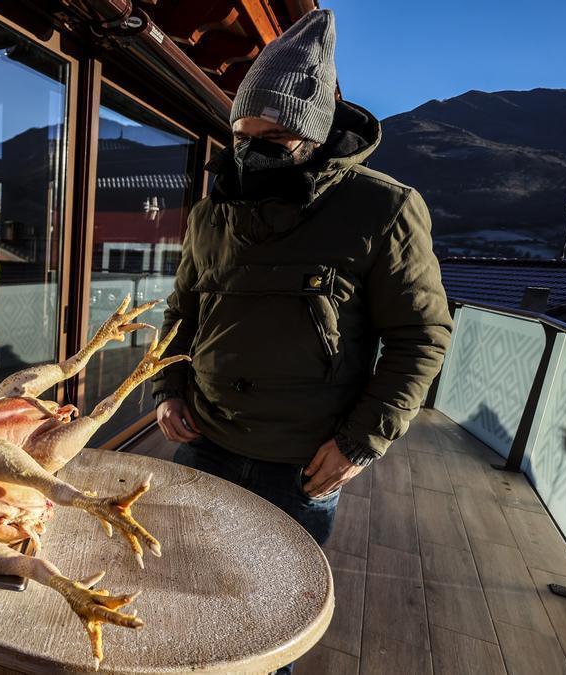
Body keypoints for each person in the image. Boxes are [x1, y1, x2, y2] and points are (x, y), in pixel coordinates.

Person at [153, 10, 452, 549]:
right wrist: (168, 388)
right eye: (243, 136)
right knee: (177, 574)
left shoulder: (383, 208)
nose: (252, 153)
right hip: (205, 438)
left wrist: (359, 444)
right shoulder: (212, 212)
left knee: (273, 607)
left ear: (315, 133)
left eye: (276, 137)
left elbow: (420, 336)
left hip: (304, 462)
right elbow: (182, 311)